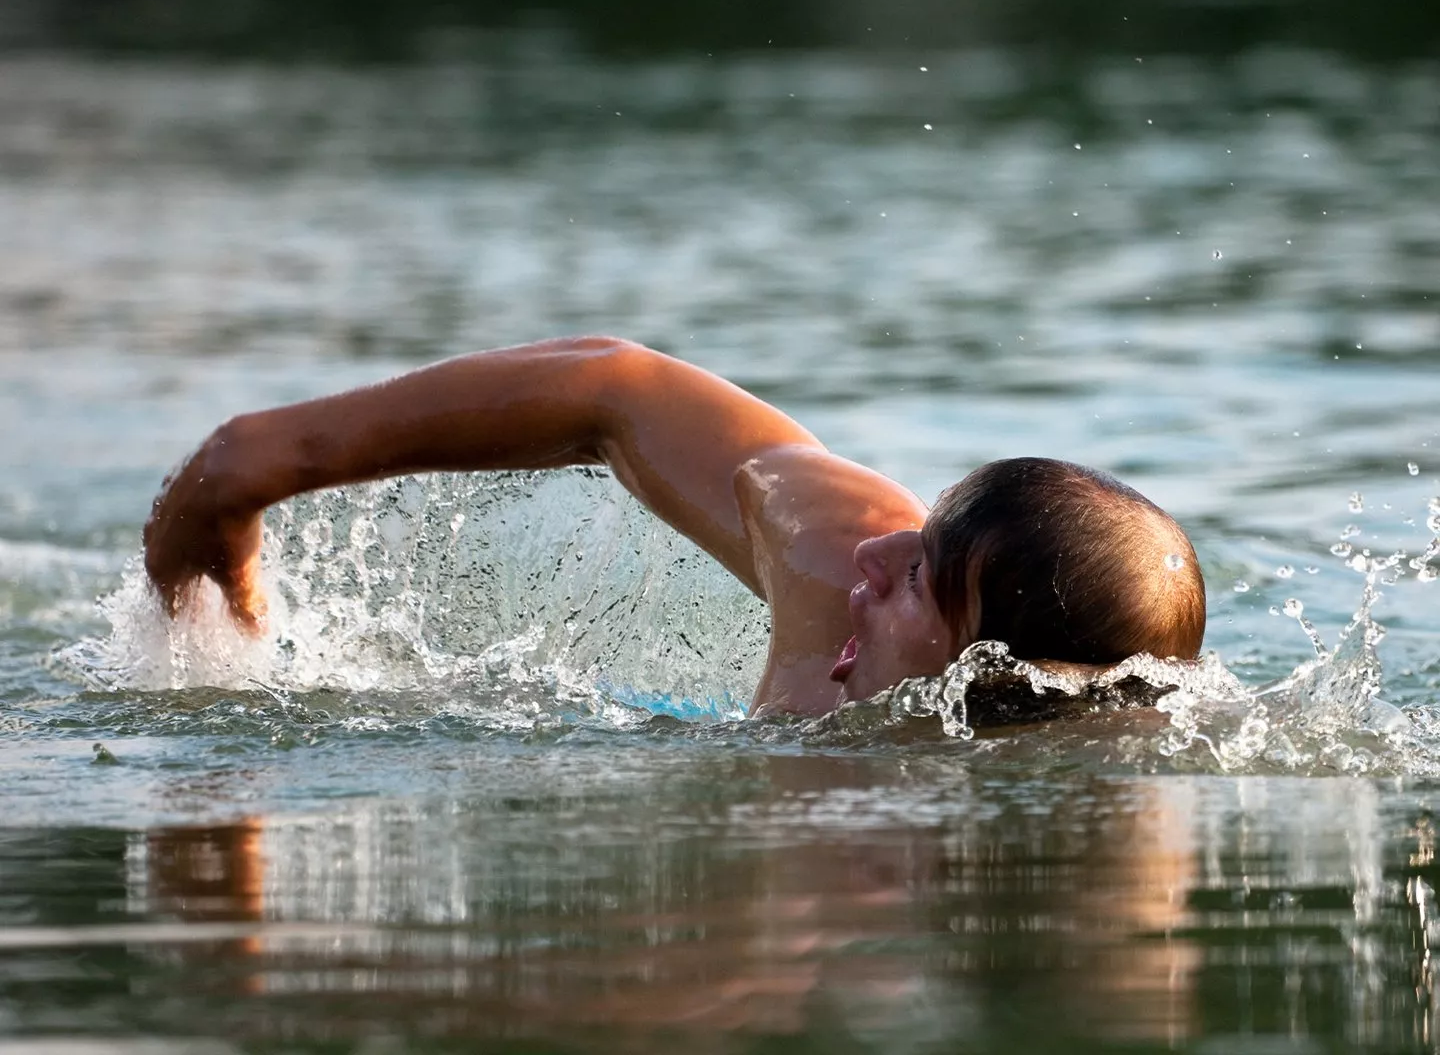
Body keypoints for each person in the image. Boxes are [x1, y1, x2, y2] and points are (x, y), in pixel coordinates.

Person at [143, 336, 1206, 718]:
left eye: (921, 581)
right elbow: (618, 389)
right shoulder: (833, 557)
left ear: (995, 679)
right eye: (913, 536)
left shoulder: (891, 898)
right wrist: (272, 458)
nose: (874, 561)